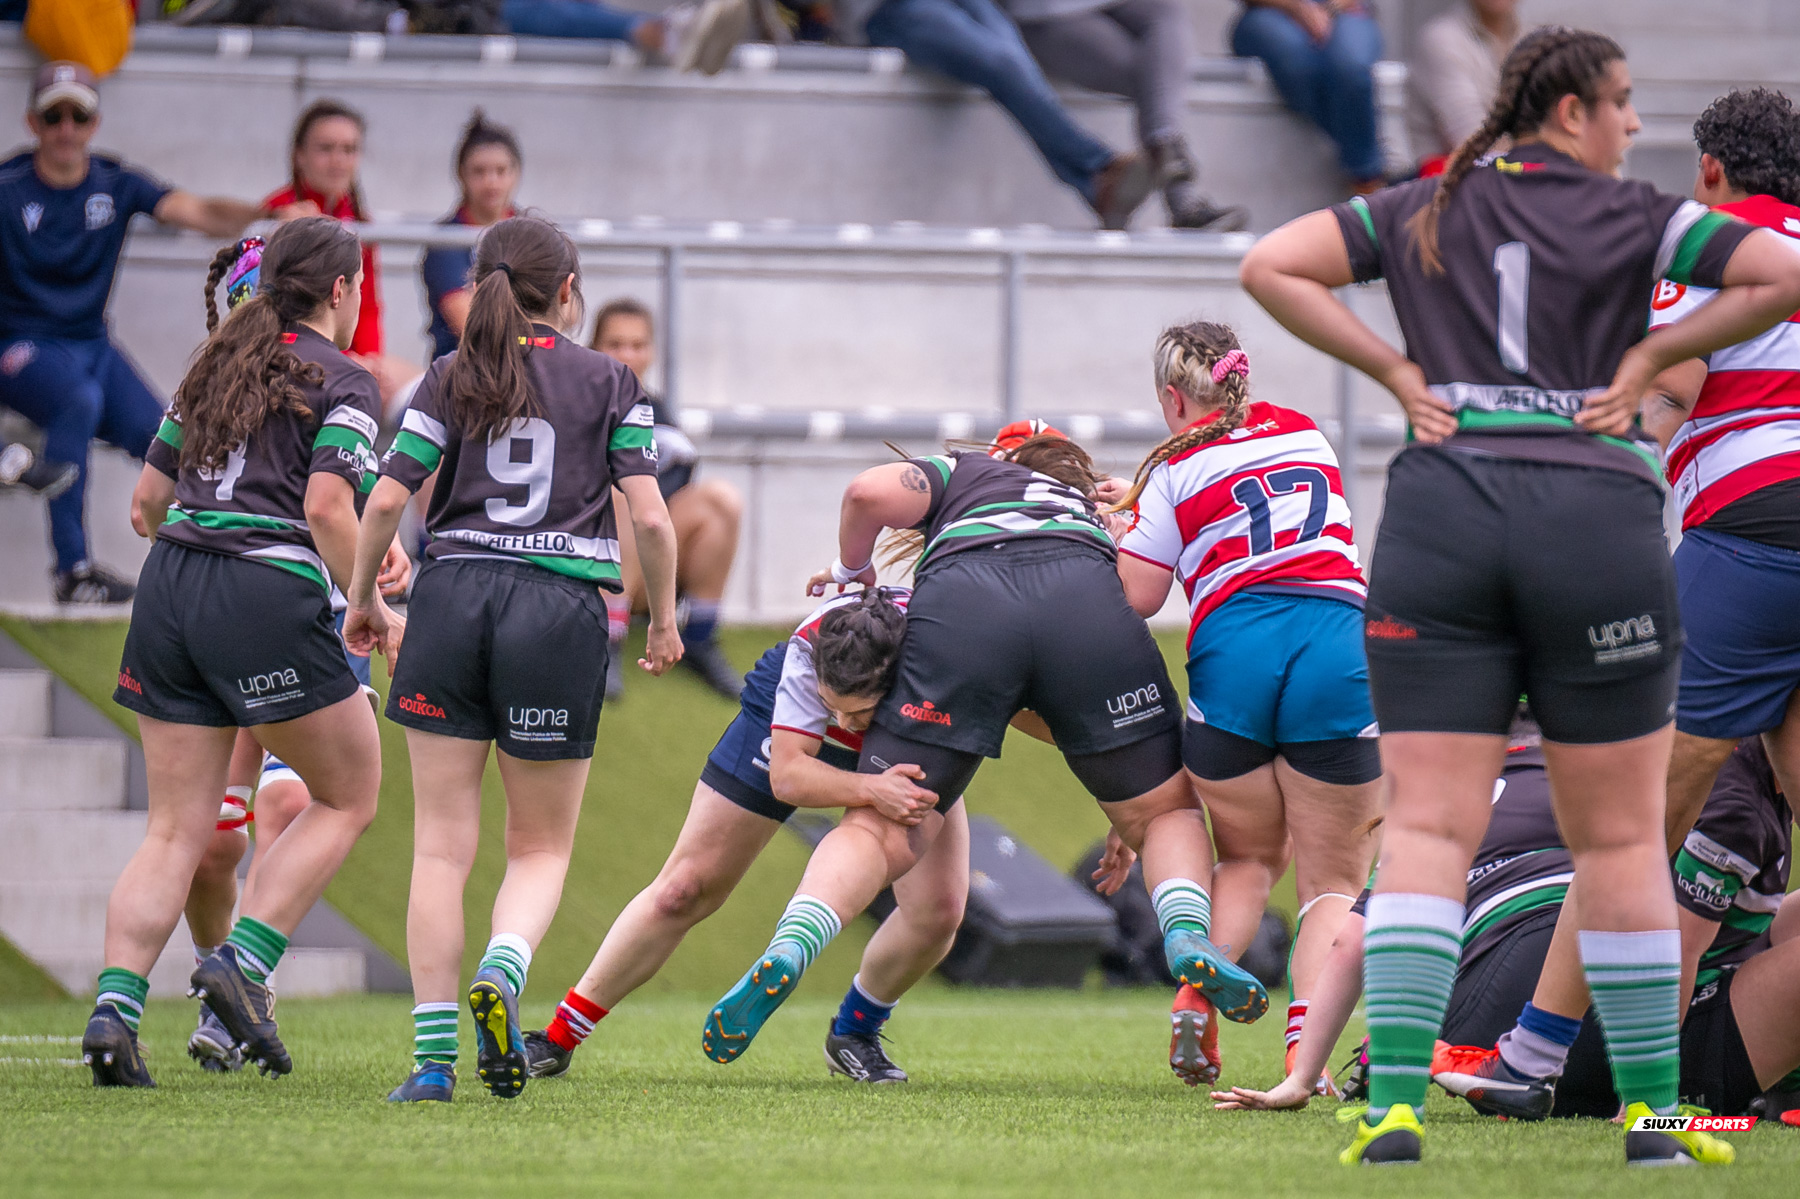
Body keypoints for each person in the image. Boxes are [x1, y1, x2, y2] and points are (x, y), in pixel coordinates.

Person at [1238, 25, 1800, 1165]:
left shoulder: (1425, 205)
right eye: (1624, 104)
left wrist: (1393, 371)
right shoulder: (1641, 219)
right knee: (1621, 839)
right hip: (1593, 511)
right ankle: (1648, 1115)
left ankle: (1393, 1102)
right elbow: (1776, 279)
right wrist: (1646, 368)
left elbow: (1268, 265)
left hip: (1447, 502)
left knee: (1433, 825)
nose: (1635, 125)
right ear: (1576, 112)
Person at [1434, 86, 1800, 1125]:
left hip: (1757, 536)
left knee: (1633, 817)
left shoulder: (1718, 242)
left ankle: (1531, 1054)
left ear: (1715, 173)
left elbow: (1668, 383)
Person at [701, 431, 1267, 1068]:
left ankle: (793, 946)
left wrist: (849, 572)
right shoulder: (1091, 509)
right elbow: (1105, 642)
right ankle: (1188, 932)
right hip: (1084, 594)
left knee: (883, 826)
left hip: (965, 603)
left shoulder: (968, 473)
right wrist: (1132, 804)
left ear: (997, 459)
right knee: (1167, 813)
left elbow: (865, 491)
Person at [342, 215, 683, 1104]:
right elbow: (650, 517)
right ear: (567, 289)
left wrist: (363, 601)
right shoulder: (609, 378)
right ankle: (504, 965)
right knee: (537, 845)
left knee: (440, 848)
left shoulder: (448, 376)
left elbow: (383, 503)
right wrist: (662, 622)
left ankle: (429, 1061)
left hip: (451, 599)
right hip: (558, 609)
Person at [82, 217, 396, 1087]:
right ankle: (242, 962)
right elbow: (331, 508)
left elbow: (147, 505)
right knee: (349, 792)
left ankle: (114, 1012)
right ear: (341, 290)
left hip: (171, 584)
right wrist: (369, 602)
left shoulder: (213, 363)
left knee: (174, 827)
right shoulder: (345, 377)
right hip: (259, 590)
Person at [524, 587, 971, 1085]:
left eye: (859, 713)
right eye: (834, 708)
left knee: (939, 913)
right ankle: (557, 1036)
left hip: (912, 730)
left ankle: (854, 1032)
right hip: (792, 739)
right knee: (682, 889)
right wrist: (870, 787)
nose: (844, 725)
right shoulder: (810, 652)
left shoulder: (944, 654)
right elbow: (789, 776)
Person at [1110, 320, 1378, 1089]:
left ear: (1171, 395)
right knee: (1332, 881)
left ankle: (1198, 988)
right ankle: (1304, 1054)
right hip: (1334, 643)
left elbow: (1139, 593)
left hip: (1233, 654)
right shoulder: (1303, 431)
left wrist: (1118, 529)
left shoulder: (1170, 468)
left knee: (1251, 856)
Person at [177, 237, 413, 1073]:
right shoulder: (217, 376)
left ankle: (233, 990)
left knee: (290, 807)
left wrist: (379, 565)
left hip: (300, 617)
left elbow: (340, 506)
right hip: (233, 607)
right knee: (210, 841)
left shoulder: (329, 377)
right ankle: (220, 983)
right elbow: (166, 501)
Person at [0, 62, 312, 604]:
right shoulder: (6, 187)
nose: (67, 128)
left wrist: (267, 212)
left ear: (95, 123)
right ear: (33, 122)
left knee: (166, 432)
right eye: (54, 116)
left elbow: (197, 210)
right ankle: (73, 573)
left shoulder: (115, 182)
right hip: (19, 346)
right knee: (78, 399)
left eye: (79, 115)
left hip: (90, 343)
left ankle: (207, 566)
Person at [845, 0, 1158, 230]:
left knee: (1016, 63)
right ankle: (1099, 169)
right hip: (889, 9)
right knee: (1005, 63)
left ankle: (1098, 183)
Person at [590, 298, 744, 700]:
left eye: (638, 345)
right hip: (583, 566)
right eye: (615, 344)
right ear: (593, 347)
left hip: (650, 568)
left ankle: (700, 636)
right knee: (620, 494)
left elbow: (678, 485)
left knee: (722, 500)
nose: (628, 355)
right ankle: (606, 640)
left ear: (652, 351)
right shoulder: (577, 401)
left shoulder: (656, 410)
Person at [1001, 0, 1247, 230]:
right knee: (1155, 75)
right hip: (1046, 13)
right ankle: (1178, 194)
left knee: (1166, 16)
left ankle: (1166, 158)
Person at [1230, 1, 1385, 193]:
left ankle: (1367, 173)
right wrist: (1300, 8)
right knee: (1298, 64)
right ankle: (1370, 174)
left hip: (1346, 10)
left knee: (1350, 68)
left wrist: (1329, 8)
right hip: (1268, 10)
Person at [422, 110, 522, 363]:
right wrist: (535, 334)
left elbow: (568, 310)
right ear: (461, 175)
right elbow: (471, 325)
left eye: (501, 171)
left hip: (527, 364)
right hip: (461, 369)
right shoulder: (445, 241)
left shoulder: (533, 232)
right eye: (479, 171)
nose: (491, 182)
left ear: (516, 174)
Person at [1407, 1, 1521, 173]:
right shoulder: (1441, 39)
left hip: (1509, 178)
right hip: (1447, 184)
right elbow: (1474, 141)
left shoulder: (1529, 35)